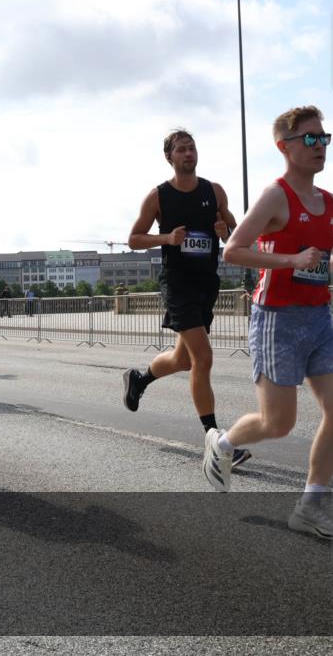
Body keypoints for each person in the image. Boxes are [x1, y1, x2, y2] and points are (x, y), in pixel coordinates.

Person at [203, 106, 333, 541]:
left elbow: (322, 265)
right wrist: (289, 259)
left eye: (324, 138)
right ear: (285, 146)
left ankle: (309, 507)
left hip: (318, 318)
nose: (320, 146)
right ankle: (222, 445)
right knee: (278, 424)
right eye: (310, 139)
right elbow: (234, 250)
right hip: (276, 319)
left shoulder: (331, 203)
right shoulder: (275, 195)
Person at [124, 127, 250, 467]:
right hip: (177, 282)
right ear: (170, 157)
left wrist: (226, 230)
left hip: (206, 283)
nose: (188, 153)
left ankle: (139, 379)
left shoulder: (214, 190)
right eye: (181, 149)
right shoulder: (159, 196)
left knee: (184, 360)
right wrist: (166, 238)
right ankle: (217, 442)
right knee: (203, 358)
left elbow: (235, 229)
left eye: (192, 148)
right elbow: (134, 239)